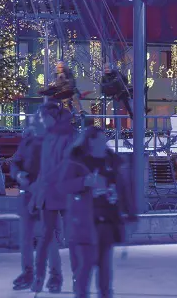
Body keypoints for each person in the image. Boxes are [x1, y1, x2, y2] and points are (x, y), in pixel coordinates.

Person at [59, 127, 137, 298]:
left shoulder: (112, 162)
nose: (104, 144)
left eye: (105, 140)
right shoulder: (77, 161)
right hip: (85, 222)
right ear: (90, 141)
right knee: (86, 265)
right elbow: (63, 185)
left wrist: (130, 213)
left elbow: (124, 189)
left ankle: (105, 294)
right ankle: (81, 294)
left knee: (105, 268)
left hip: (107, 221)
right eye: (100, 140)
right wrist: (84, 181)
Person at [9, 114, 59, 291]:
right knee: (26, 238)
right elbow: (15, 162)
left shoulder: (52, 143)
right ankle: (28, 272)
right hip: (27, 195)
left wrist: (37, 185)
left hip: (45, 195)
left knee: (48, 238)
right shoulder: (28, 142)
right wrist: (18, 174)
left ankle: (54, 276)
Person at [30, 101, 75, 294]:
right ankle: (48, 276)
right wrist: (36, 195)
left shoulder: (68, 136)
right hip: (49, 193)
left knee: (72, 238)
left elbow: (67, 164)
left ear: (51, 117)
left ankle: (74, 274)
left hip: (65, 192)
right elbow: (44, 168)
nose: (41, 121)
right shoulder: (47, 138)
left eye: (42, 118)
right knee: (47, 238)